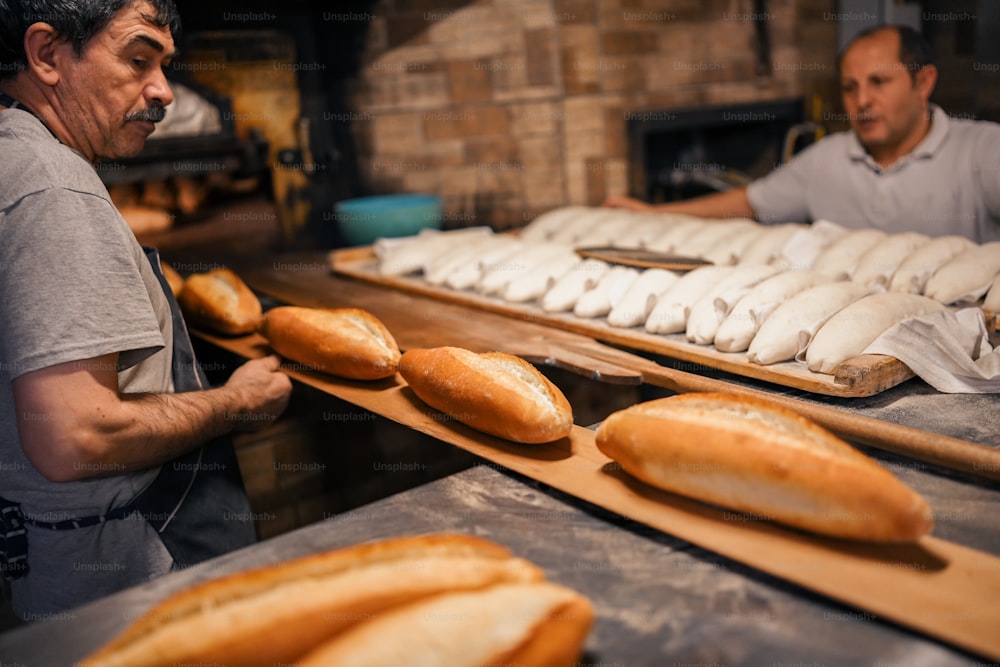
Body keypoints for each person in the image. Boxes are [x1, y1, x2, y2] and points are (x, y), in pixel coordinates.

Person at [0, 0, 292, 620]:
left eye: (164, 66)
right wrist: (236, 405)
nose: (162, 90)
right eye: (137, 61)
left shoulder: (14, 154)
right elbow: (75, 437)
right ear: (47, 53)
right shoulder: (54, 186)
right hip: (124, 577)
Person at [606, 25, 1000, 244]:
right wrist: (653, 217)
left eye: (879, 82)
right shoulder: (827, 160)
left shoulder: (981, 150)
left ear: (924, 81)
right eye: (850, 87)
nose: (862, 100)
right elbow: (747, 203)